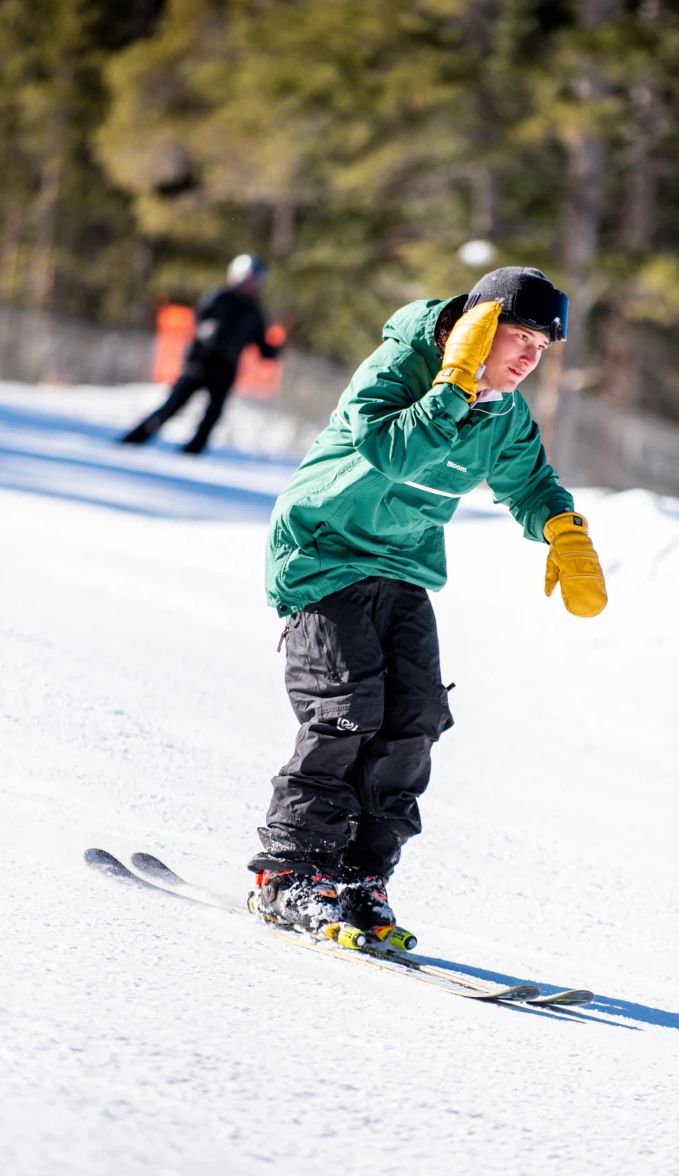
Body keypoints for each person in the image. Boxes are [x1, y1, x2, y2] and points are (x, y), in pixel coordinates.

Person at [249, 266, 608, 938]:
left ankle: (359, 878)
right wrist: (452, 382)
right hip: (324, 551)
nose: (531, 357)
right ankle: (290, 873)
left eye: (542, 346)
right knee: (345, 709)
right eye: (521, 336)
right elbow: (388, 451)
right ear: (477, 324)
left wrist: (562, 529)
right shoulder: (399, 366)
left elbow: (530, 484)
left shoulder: (502, 413)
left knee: (414, 718)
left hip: (404, 564)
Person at [121, 254, 281, 454]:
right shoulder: (220, 297)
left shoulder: (254, 311)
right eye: (251, 278)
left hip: (226, 369)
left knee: (213, 415)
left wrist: (272, 350)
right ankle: (133, 441)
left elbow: (260, 343)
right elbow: (200, 318)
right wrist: (207, 330)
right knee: (172, 407)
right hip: (201, 363)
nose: (254, 284)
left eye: (258, 280)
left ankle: (192, 452)